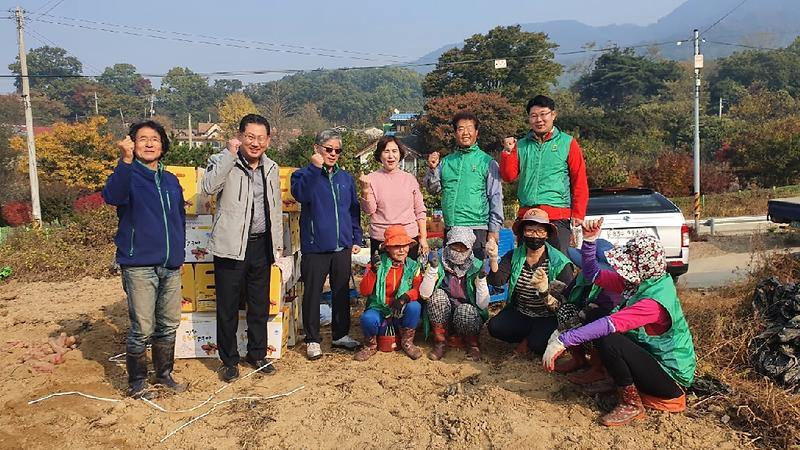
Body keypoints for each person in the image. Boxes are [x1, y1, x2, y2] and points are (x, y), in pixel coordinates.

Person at [543, 221, 697, 427]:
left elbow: (610, 324)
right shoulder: (643, 282)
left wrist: (563, 341)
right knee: (595, 316)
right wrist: (589, 241)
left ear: (641, 267)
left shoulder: (654, 302)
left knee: (610, 339)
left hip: (670, 379)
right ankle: (606, 374)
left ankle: (631, 403)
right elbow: (594, 275)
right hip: (649, 358)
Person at [102, 120, 186, 398]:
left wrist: (179, 251)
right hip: (139, 264)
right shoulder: (128, 176)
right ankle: (137, 381)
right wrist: (125, 162)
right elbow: (112, 196)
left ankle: (164, 374)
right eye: (142, 139)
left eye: (155, 139)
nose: (149, 144)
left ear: (163, 145)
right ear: (133, 144)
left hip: (170, 264)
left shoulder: (171, 180)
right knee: (143, 327)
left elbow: (178, 220)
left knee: (168, 323)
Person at [201, 114, 283, 382]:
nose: (255, 143)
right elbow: (208, 188)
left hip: (261, 245)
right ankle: (229, 360)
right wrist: (229, 154)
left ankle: (257, 354)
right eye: (250, 137)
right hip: (231, 247)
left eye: (261, 138)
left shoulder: (271, 168)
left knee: (259, 304)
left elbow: (276, 207)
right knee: (227, 307)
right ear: (239, 136)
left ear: (268, 141)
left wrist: (278, 246)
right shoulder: (223, 161)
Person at [291, 129, 363, 360]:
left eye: (337, 150)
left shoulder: (345, 178)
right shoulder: (302, 175)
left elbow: (353, 210)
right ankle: (313, 339)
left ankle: (340, 334)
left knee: (341, 291)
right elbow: (301, 195)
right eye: (328, 149)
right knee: (312, 292)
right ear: (317, 149)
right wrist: (314, 168)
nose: (333, 154)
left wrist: (356, 236)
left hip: (341, 246)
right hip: (315, 246)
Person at [499, 95, 588, 254]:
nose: (539, 119)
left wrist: (578, 213)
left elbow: (579, 179)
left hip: (557, 215)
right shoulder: (521, 145)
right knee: (526, 267)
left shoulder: (567, 143)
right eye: (533, 116)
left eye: (543, 114)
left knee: (559, 267)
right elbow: (508, 176)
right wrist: (507, 152)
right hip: (528, 216)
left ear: (553, 115)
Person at [485, 208, 574, 356]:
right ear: (523, 233)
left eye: (540, 231)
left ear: (547, 234)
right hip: (522, 312)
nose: (535, 235)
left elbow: (565, 304)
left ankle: (531, 340)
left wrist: (545, 292)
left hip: (548, 316)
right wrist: (493, 259)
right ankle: (529, 336)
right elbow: (497, 281)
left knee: (538, 344)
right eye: (530, 230)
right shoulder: (514, 256)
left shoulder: (559, 262)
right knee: (495, 327)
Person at [423, 111, 503, 260]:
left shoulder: (487, 162)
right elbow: (433, 189)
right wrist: (433, 169)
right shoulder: (446, 162)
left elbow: (496, 196)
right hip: (452, 228)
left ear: (476, 132)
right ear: (455, 133)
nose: (465, 133)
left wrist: (494, 229)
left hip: (478, 228)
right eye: (460, 129)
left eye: (469, 128)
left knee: (477, 276)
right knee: (452, 276)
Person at [553, 239, 621, 383]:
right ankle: (578, 359)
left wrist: (559, 337)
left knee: (594, 318)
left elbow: (601, 311)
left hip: (609, 328)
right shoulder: (582, 277)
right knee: (566, 310)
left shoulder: (613, 285)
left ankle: (599, 367)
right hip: (584, 321)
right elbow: (568, 297)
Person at [419, 226, 491, 360]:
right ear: (448, 245)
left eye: (463, 247)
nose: (458, 250)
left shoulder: (477, 266)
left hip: (466, 318)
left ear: (469, 248)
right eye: (454, 246)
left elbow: (483, 304)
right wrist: (433, 269)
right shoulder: (439, 261)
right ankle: (441, 341)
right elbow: (425, 294)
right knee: (436, 297)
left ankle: (472, 344)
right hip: (442, 316)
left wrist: (481, 279)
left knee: (465, 310)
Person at [355, 225, 423, 361]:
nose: (402, 250)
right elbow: (364, 291)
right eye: (397, 246)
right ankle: (370, 346)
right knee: (367, 318)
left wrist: (404, 298)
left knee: (415, 306)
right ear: (387, 248)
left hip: (400, 310)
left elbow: (418, 289)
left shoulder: (413, 265)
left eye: (405, 245)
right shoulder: (376, 264)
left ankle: (407, 342)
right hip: (379, 308)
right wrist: (373, 271)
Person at [359, 135, 428, 260]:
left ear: (400, 154)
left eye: (394, 151)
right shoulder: (372, 178)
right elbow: (369, 210)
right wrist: (364, 190)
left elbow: (420, 210)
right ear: (380, 155)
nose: (391, 156)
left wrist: (423, 238)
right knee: (382, 277)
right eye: (386, 151)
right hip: (381, 238)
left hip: (408, 239)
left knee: (408, 277)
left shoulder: (409, 179)